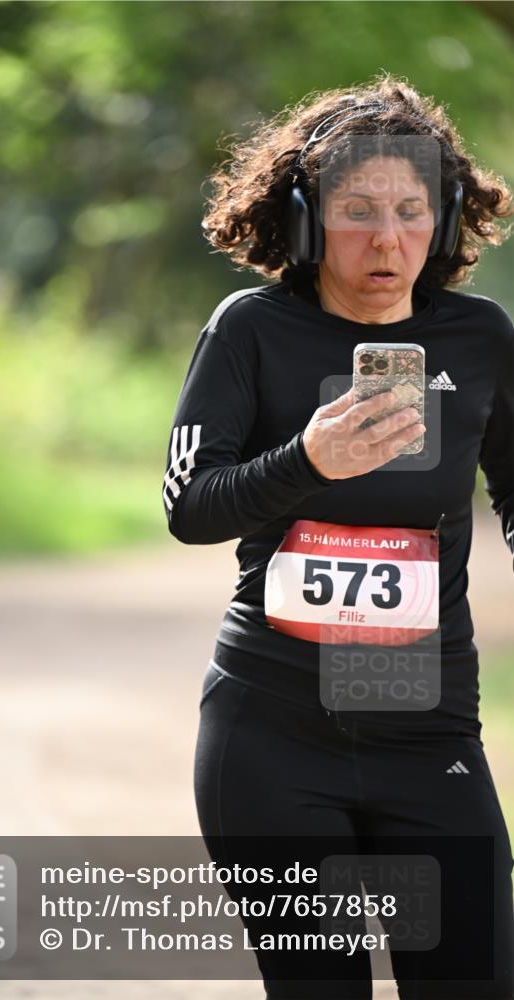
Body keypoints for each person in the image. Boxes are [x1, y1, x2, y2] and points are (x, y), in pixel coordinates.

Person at [162, 74, 514, 999]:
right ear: (307, 221)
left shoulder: (481, 340)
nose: (386, 238)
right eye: (356, 212)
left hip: (428, 730)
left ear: (441, 221)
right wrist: (308, 461)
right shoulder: (250, 331)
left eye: (409, 211)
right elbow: (191, 507)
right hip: (269, 733)